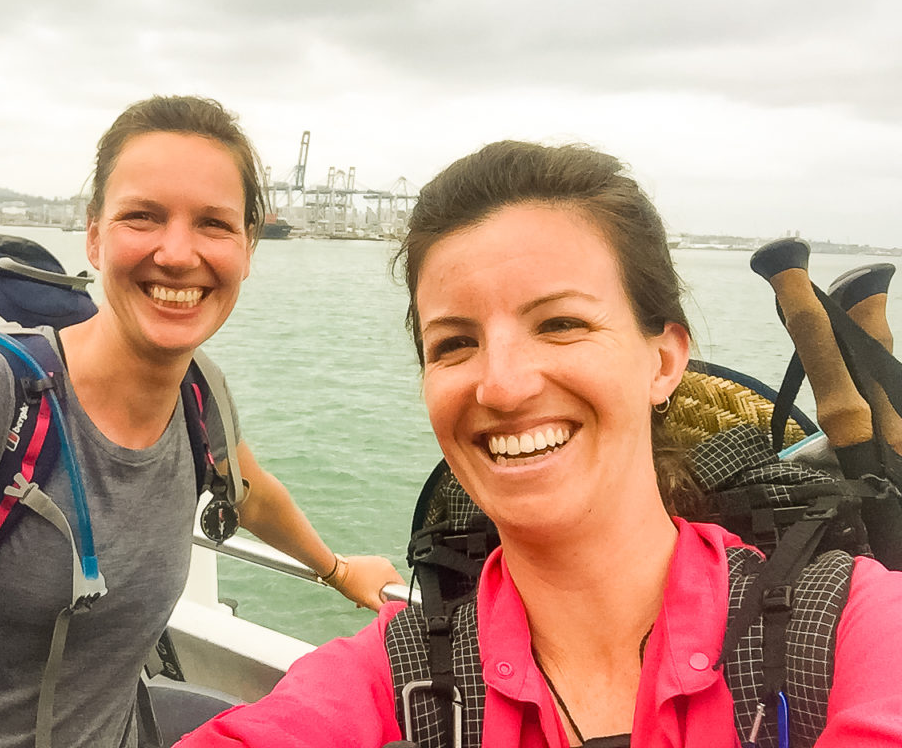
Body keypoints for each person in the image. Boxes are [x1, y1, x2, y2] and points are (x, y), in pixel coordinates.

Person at [176, 140, 902, 747]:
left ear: (663, 359)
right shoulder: (397, 681)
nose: (502, 385)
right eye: (454, 343)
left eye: (560, 324)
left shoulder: (848, 631)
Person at [0, 95, 402, 748]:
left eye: (213, 223)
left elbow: (249, 490)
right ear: (94, 235)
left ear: (248, 246)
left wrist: (336, 569)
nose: (178, 254)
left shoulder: (199, 392)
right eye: (143, 217)